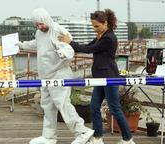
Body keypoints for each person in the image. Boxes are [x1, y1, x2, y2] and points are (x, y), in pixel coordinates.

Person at [16, 8, 94, 144]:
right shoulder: (39, 32)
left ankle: (82, 131)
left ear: (47, 19)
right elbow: (37, 44)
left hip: (59, 74)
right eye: (37, 25)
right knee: (47, 106)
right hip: (45, 76)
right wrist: (22, 45)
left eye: (41, 24)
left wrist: (63, 53)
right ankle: (48, 136)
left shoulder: (58, 31)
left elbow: (69, 48)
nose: (40, 27)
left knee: (63, 104)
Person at [58, 9, 135, 144]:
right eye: (93, 26)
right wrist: (69, 44)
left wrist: (70, 42)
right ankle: (98, 138)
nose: (95, 29)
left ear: (105, 23)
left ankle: (128, 139)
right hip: (100, 78)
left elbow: (89, 50)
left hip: (109, 78)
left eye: (97, 26)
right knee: (94, 107)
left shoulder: (108, 38)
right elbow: (87, 46)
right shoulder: (101, 35)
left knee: (115, 109)